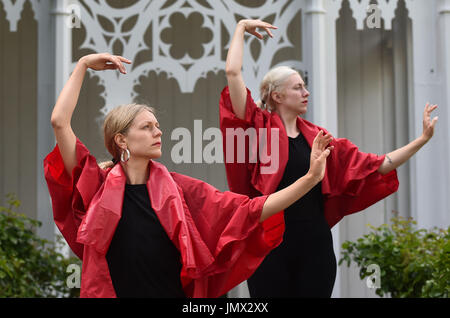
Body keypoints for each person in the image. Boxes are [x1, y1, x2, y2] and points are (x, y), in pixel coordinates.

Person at [44, 53, 334, 298]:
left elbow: (250, 210)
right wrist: (82, 65)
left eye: (157, 126)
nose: (158, 132)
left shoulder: (181, 189)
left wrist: (309, 179)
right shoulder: (96, 184)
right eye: (146, 127)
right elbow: (60, 122)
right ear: (121, 140)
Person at [221, 19, 439, 297]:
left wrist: (421, 140)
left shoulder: (319, 138)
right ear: (277, 95)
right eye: (298, 87)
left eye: (305, 86)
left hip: (314, 246)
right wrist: (240, 28)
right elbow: (232, 72)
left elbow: (376, 166)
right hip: (268, 246)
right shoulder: (256, 128)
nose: (306, 92)